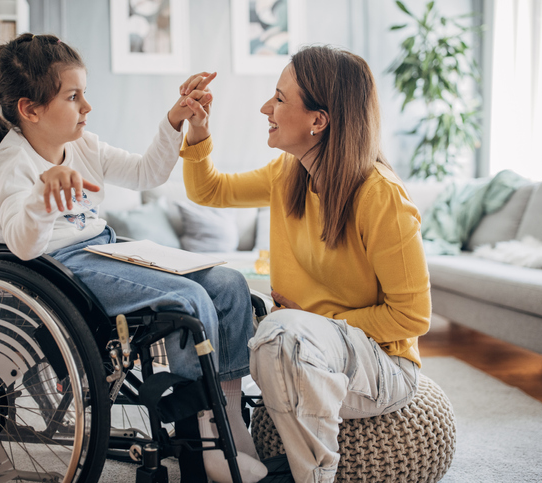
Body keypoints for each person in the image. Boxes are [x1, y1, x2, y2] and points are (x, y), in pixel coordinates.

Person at [0, 33, 268, 483]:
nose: (87, 106)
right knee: (187, 302)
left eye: (83, 93)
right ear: (30, 109)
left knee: (227, 284)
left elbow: (147, 172)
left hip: (105, 249)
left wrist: (175, 120)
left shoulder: (84, 146)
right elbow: (24, 246)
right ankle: (202, 436)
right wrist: (42, 195)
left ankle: (228, 418)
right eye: (74, 96)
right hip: (62, 270)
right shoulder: (12, 167)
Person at [179, 45, 432, 483]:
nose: (265, 108)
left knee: (282, 335)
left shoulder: (380, 196)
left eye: (279, 98)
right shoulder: (289, 174)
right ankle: (227, 440)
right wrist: (198, 129)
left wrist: (311, 320)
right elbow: (210, 191)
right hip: (304, 349)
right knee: (232, 305)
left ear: (319, 120)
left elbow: (412, 317)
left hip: (384, 367)